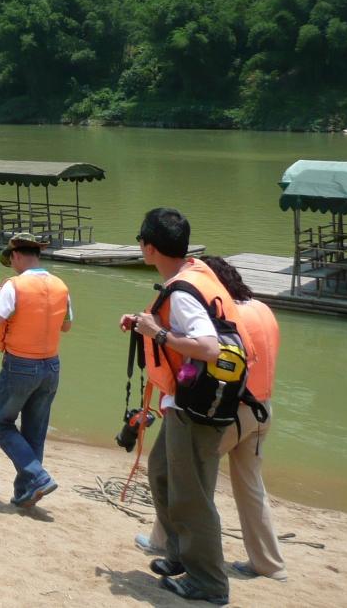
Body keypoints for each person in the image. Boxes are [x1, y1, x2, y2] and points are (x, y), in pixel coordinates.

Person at [137, 256, 286, 582]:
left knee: (183, 475)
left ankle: (165, 544)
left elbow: (207, 358)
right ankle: (269, 564)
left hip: (229, 409)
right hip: (263, 409)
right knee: (251, 488)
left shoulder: (225, 317)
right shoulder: (263, 309)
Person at [119, 208, 231, 605]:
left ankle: (209, 582)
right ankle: (180, 554)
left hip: (198, 404)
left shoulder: (182, 291)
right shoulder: (194, 276)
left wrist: (159, 334)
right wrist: (145, 325)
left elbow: (208, 346)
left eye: (141, 242)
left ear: (149, 247)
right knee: (162, 472)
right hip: (186, 400)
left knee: (191, 495)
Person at [0, 232, 72, 508]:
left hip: (21, 364)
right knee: (35, 430)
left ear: (18, 255)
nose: (11, 265)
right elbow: (67, 326)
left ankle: (38, 477)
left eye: (11, 260)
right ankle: (27, 492)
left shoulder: (14, 286)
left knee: (1, 423)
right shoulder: (60, 286)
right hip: (51, 365)